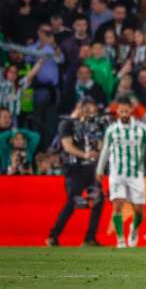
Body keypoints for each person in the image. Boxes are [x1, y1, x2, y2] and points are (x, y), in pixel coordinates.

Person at [96, 95, 146, 248]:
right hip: (117, 173)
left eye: (126, 111)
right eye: (121, 111)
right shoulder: (112, 130)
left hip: (136, 174)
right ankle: (120, 239)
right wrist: (99, 169)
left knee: (139, 211)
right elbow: (105, 151)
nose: (123, 114)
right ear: (117, 111)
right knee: (118, 205)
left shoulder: (142, 129)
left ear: (131, 110)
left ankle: (134, 229)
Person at [46, 98, 104, 247]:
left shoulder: (93, 124)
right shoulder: (66, 124)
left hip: (91, 170)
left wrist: (99, 152)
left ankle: (89, 238)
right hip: (75, 170)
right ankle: (53, 237)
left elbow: (99, 143)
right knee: (73, 203)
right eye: (88, 110)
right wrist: (85, 155)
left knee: (98, 201)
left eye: (93, 111)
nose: (91, 113)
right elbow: (67, 146)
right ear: (81, 107)